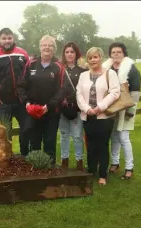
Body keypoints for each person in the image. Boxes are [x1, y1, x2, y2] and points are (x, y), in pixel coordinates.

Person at [16, 35, 66, 166]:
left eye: (50, 45)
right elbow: (21, 85)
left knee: (49, 141)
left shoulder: (58, 67)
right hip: (32, 110)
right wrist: (26, 103)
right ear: (40, 47)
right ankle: (35, 169)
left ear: (54, 49)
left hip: (51, 112)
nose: (47, 47)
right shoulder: (31, 64)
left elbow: (61, 90)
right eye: (44, 45)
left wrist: (49, 106)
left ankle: (50, 169)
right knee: (35, 141)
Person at [0, 27, 30, 156]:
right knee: (4, 132)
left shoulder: (22, 53)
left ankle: (25, 155)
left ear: (13, 38)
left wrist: (28, 96)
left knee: (26, 129)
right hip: (3, 103)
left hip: (21, 102)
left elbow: (29, 75)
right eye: (4, 38)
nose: (7, 41)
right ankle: (6, 157)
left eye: (9, 38)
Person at [76, 47, 120, 185]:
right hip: (88, 116)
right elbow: (78, 94)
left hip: (104, 117)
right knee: (90, 145)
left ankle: (102, 175)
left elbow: (115, 93)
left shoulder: (110, 74)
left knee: (102, 145)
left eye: (95, 57)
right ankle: (92, 170)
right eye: (90, 58)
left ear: (101, 57)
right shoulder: (83, 75)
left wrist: (100, 108)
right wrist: (87, 109)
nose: (93, 60)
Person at [102, 42, 141, 180]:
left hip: (126, 108)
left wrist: (131, 110)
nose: (116, 54)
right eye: (113, 52)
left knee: (123, 137)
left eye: (118, 52)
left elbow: (135, 92)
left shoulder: (131, 70)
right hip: (111, 108)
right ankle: (114, 163)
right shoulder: (107, 69)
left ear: (124, 53)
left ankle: (129, 167)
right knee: (114, 136)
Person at [58, 42, 88, 171]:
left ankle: (79, 161)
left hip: (76, 109)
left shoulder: (83, 71)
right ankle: (64, 160)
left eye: (72, 52)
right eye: (67, 52)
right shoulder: (58, 69)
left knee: (77, 136)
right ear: (64, 54)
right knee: (64, 135)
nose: (69, 54)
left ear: (76, 54)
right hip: (61, 109)